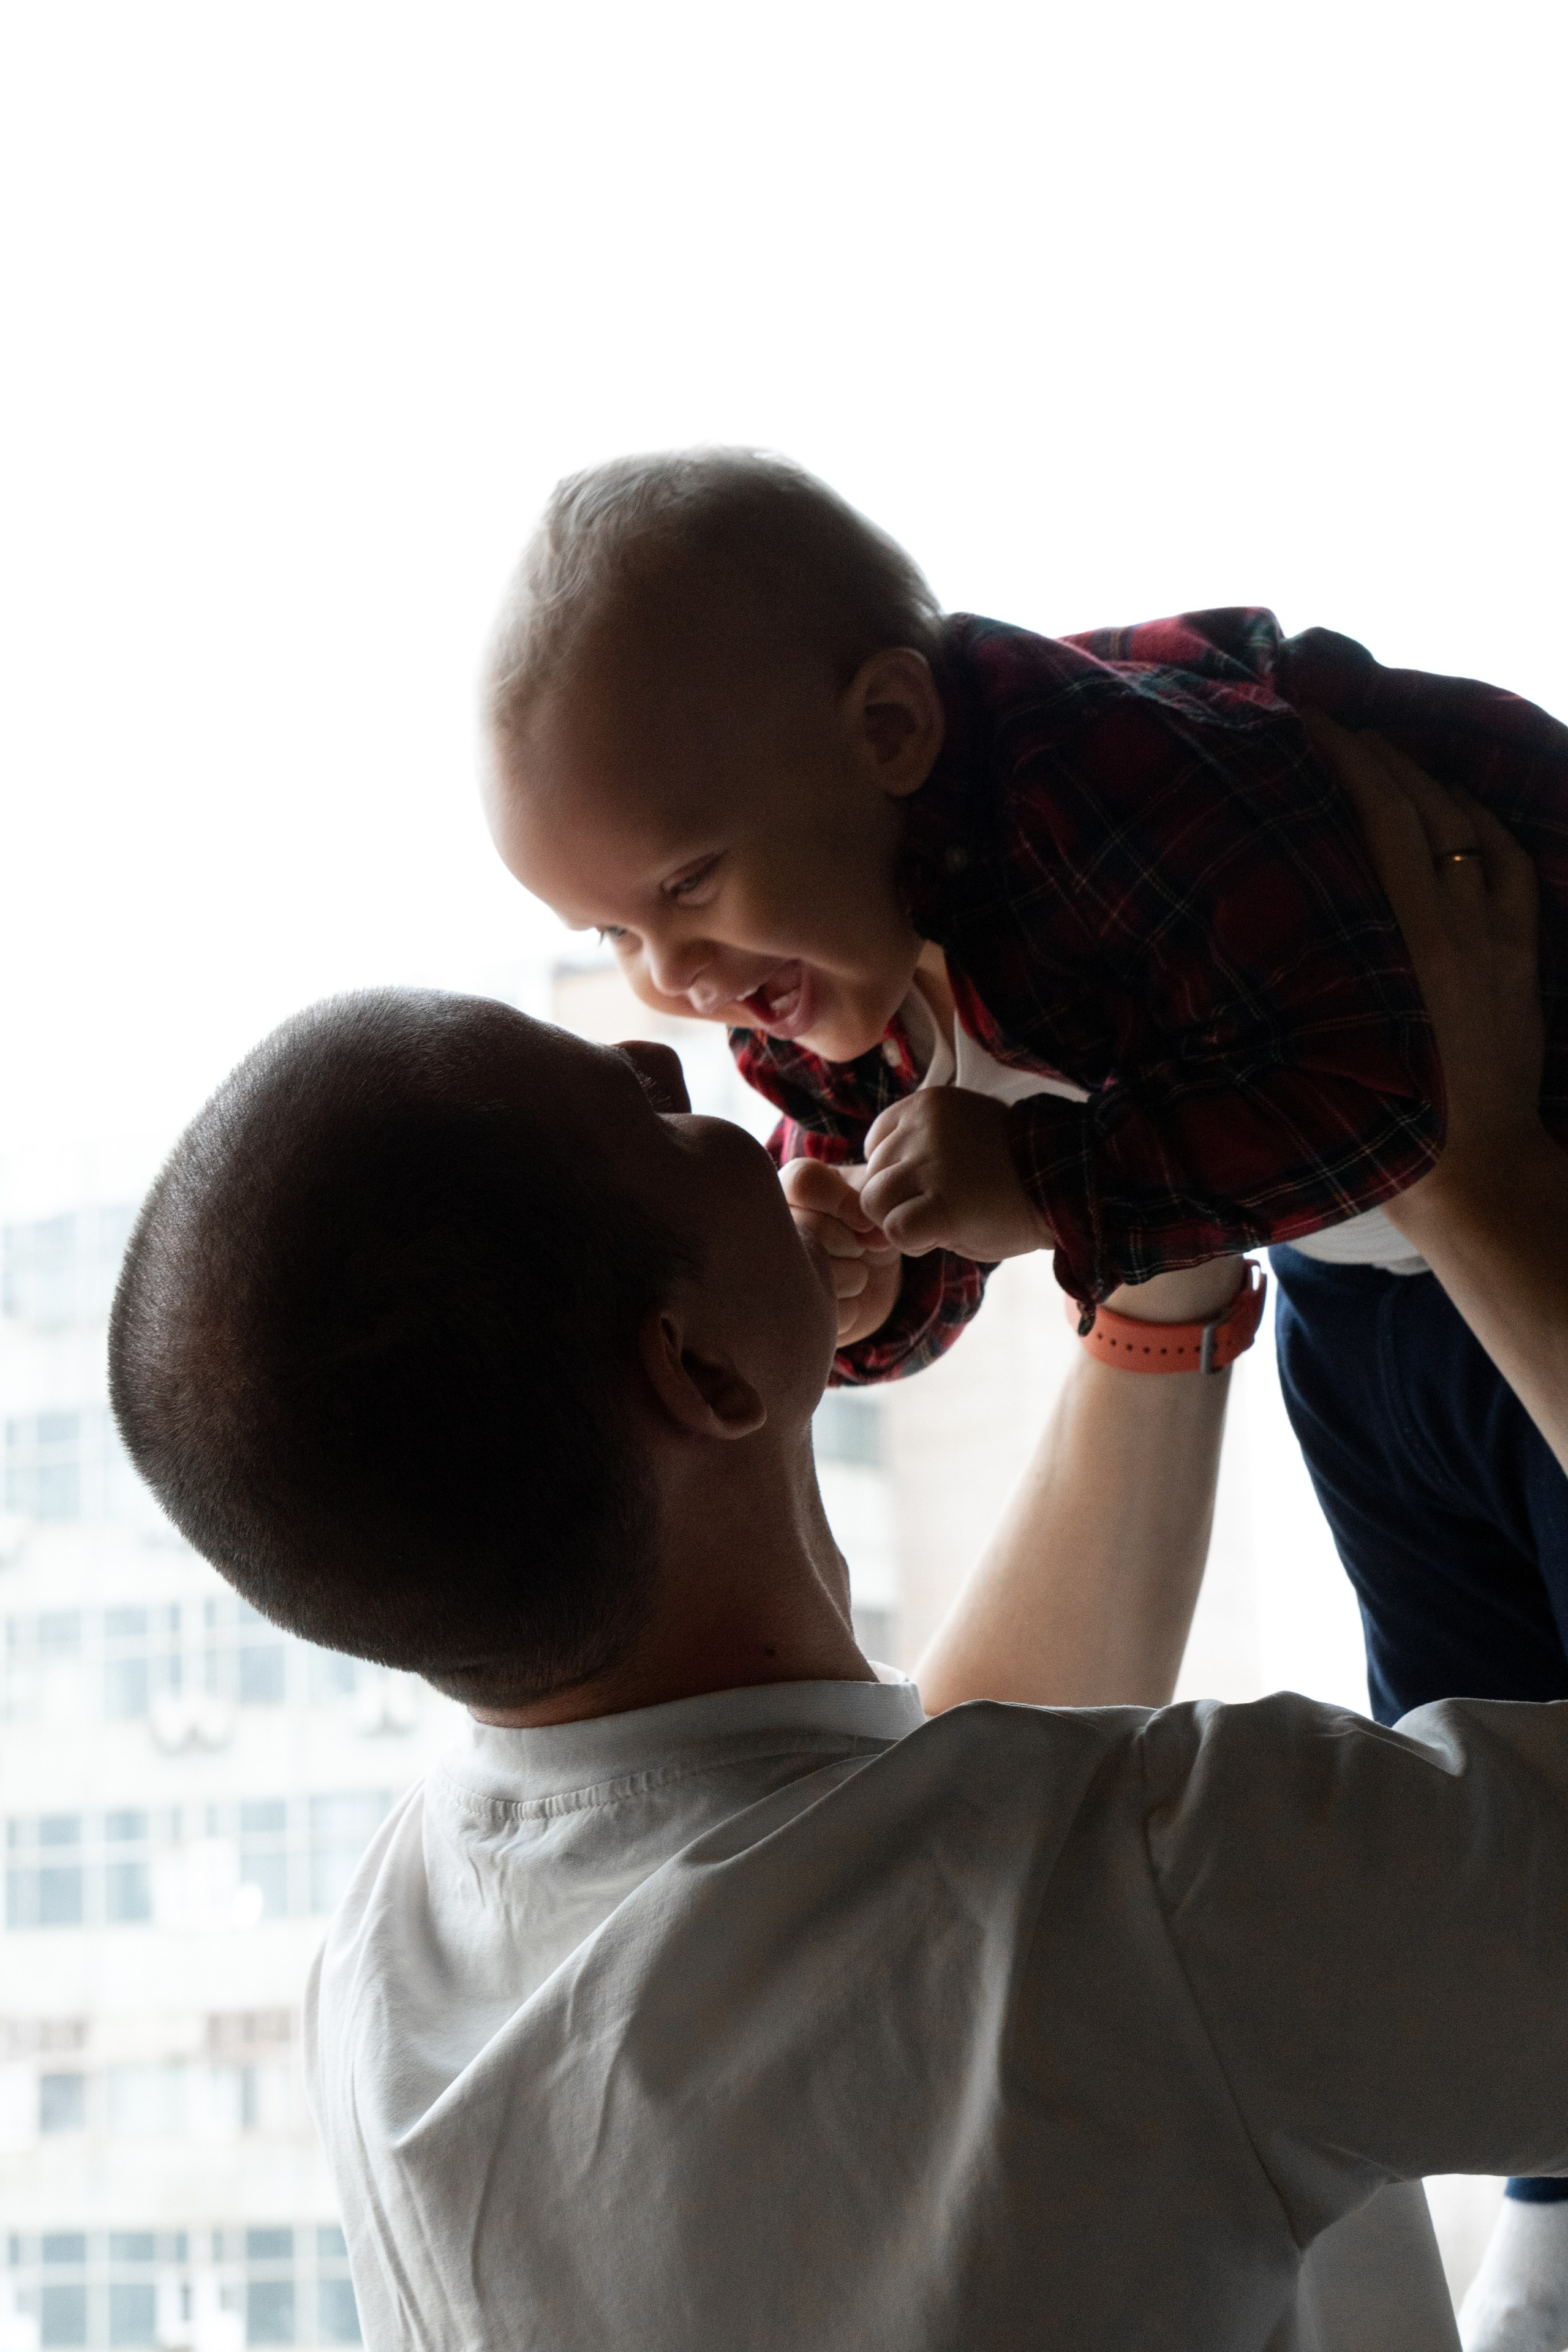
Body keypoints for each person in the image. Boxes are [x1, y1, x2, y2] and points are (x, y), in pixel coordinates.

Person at [105, 772, 1568, 2349]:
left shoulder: (401, 1968)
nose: (663, 1044)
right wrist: (1472, 1169)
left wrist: (1160, 1254)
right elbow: (1030, 1893)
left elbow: (942, 1848)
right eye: (642, 1114)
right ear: (704, 1375)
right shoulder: (1159, 1903)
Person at [481, 450, 1568, 2226]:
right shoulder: (812, 956)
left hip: (1507, 1153)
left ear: (893, 729)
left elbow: (1394, 1080)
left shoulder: (1123, 798)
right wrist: (878, 1274)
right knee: (1475, 1724)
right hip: (1368, 1289)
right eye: (612, 933)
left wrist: (1048, 1176)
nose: (670, 981)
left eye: (684, 883)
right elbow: (937, 1193)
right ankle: (1553, 2193)